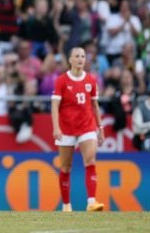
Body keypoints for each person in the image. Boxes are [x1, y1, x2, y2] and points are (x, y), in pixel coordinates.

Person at [51, 47, 104, 212]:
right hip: (66, 129)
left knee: (90, 160)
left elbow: (95, 105)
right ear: (70, 60)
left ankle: (91, 202)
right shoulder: (61, 81)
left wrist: (100, 127)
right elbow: (54, 106)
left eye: (83, 56)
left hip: (87, 127)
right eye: (77, 56)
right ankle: (66, 205)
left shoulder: (91, 80)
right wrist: (56, 127)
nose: (81, 59)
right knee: (66, 167)